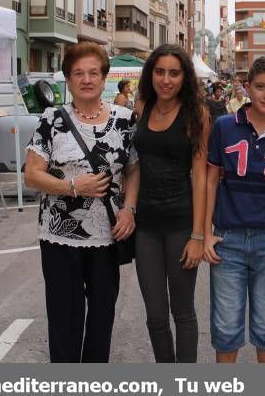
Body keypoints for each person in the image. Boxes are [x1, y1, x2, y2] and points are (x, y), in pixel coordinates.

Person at [24, 42, 137, 363]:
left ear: (104, 78)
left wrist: (129, 208)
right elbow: (32, 175)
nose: (86, 79)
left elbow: (133, 169)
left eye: (93, 73)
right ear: (68, 80)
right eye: (78, 73)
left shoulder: (126, 119)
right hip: (59, 235)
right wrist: (72, 185)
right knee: (64, 317)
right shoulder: (51, 120)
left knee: (102, 316)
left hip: (108, 235)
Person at [204, 56, 265, 363]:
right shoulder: (224, 126)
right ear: (248, 88)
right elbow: (211, 180)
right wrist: (205, 233)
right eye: (260, 87)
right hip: (227, 240)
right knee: (226, 326)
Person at [133, 44, 210, 362]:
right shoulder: (141, 108)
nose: (166, 80)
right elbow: (132, 166)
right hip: (146, 228)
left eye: (174, 73)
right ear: (151, 74)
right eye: (160, 72)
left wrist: (198, 236)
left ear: (184, 78)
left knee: (183, 312)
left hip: (181, 224)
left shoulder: (196, 115)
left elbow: (202, 178)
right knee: (154, 314)